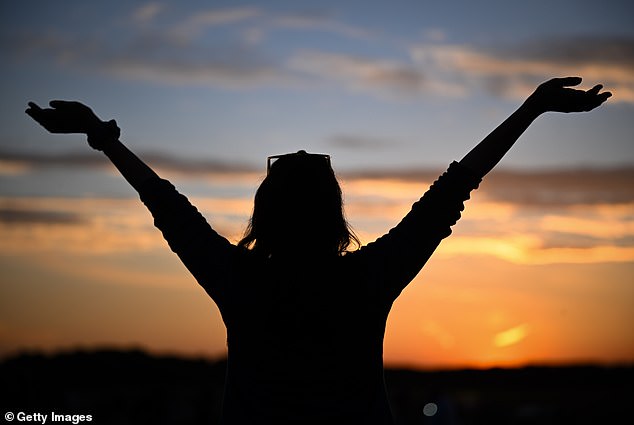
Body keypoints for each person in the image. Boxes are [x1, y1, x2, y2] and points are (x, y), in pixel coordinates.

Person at [26, 77, 611, 424]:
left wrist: (101, 136)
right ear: (335, 215)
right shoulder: (368, 277)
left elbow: (166, 205)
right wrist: (531, 109)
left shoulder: (237, 278)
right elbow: (455, 188)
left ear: (263, 214)